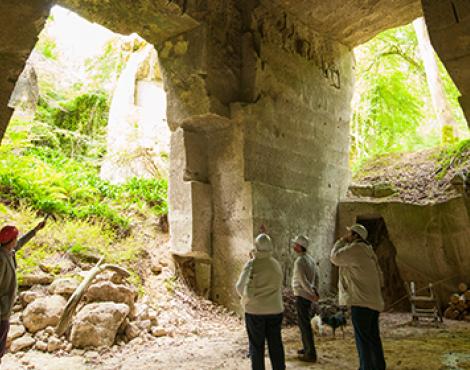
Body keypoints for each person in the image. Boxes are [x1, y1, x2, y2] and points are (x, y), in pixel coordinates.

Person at [330, 223, 386, 370]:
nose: (347, 235)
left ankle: (366, 367)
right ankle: (378, 366)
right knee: (373, 337)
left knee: (363, 340)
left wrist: (340, 241)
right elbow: (381, 280)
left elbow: (335, 258)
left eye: (349, 233)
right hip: (373, 302)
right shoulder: (369, 252)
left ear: (355, 236)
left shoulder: (356, 249)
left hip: (361, 303)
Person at [236, 233, 285, 370]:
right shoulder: (276, 265)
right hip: (275, 310)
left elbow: (239, 287)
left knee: (256, 347)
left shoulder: (251, 264)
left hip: (255, 311)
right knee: (275, 345)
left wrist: (246, 299)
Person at [0, 219, 47, 363]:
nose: (17, 241)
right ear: (10, 240)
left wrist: (35, 230)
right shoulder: (1, 259)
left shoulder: (8, 251)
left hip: (5, 308)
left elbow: (20, 243)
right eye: (15, 238)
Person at [291, 235, 319, 362]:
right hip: (307, 295)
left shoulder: (299, 261)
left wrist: (311, 293)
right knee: (305, 323)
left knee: (304, 325)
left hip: (302, 295)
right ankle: (306, 347)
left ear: (300, 246)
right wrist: (315, 291)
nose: (293, 246)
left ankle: (310, 353)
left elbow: (303, 281)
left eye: (295, 244)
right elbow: (316, 278)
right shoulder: (311, 260)